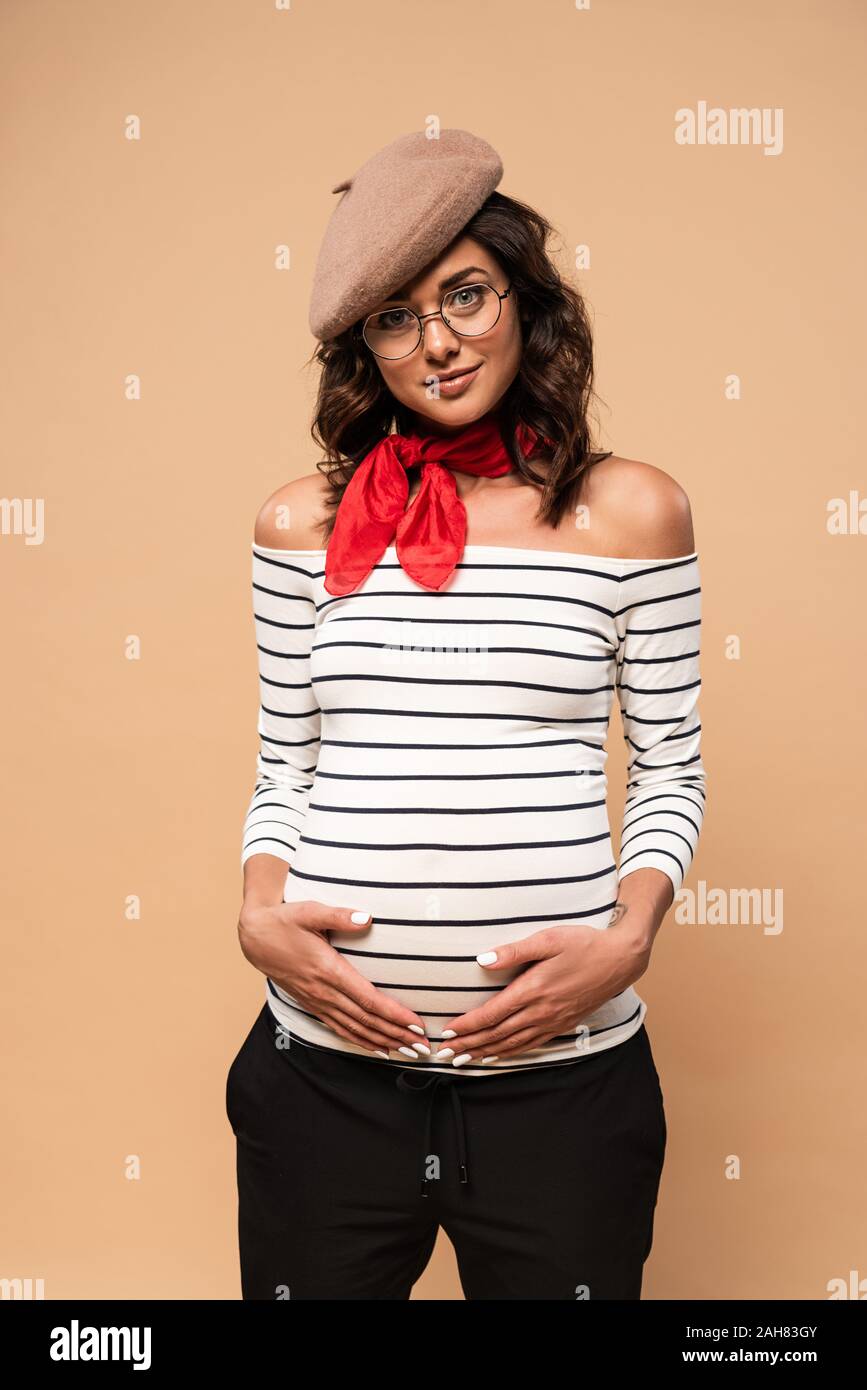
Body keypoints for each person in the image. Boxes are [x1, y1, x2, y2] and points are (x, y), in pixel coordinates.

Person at [225, 129, 707, 1300]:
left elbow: (671, 771)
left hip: (565, 1089)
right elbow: (284, 767)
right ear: (365, 347)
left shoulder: (630, 512)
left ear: (527, 304)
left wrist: (627, 940)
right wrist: (255, 912)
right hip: (326, 1084)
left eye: (466, 295)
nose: (436, 342)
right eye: (395, 316)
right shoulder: (301, 525)